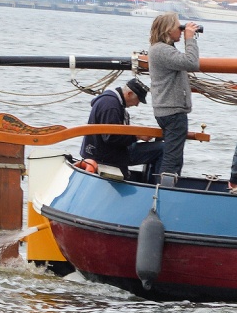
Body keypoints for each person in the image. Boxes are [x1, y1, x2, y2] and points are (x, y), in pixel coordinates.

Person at [147, 12, 201, 184]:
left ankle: (162, 188)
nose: (181, 29)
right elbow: (192, 62)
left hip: (166, 109)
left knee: (171, 154)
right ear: (168, 30)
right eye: (178, 27)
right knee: (173, 159)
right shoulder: (161, 50)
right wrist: (190, 39)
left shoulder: (161, 49)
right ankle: (163, 193)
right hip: (172, 111)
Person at [78, 80, 161, 182]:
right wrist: (137, 136)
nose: (137, 105)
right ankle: (158, 187)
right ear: (129, 94)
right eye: (138, 100)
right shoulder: (111, 106)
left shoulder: (111, 102)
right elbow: (111, 137)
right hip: (107, 155)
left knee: (157, 148)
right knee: (162, 149)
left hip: (99, 152)